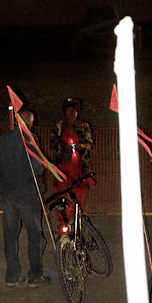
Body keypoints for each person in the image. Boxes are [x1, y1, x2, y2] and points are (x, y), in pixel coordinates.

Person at [0, 109, 50, 288]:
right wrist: (41, 186)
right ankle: (35, 275)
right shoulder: (31, 140)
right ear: (30, 123)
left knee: (10, 236)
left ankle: (12, 275)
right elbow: (37, 167)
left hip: (8, 194)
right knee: (34, 236)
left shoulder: (4, 139)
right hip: (28, 195)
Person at [50, 97, 95, 230]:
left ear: (78, 112)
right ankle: (63, 223)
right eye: (69, 110)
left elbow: (89, 143)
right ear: (64, 111)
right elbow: (53, 142)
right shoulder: (58, 126)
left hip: (79, 168)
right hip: (63, 167)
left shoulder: (84, 126)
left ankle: (77, 223)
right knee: (61, 195)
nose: (71, 113)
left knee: (78, 195)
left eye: (74, 111)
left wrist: (82, 146)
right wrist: (62, 146)